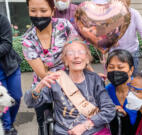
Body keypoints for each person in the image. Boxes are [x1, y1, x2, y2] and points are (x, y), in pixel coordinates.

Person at [24, 37, 116, 135]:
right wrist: (39, 86)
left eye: (81, 52)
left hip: (94, 131)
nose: (76, 56)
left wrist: (84, 126)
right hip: (65, 132)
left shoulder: (95, 79)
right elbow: (30, 102)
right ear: (65, 60)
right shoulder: (56, 79)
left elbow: (109, 109)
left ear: (87, 58)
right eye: (71, 53)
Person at [22, 0, 78, 134]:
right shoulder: (28, 39)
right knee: (44, 124)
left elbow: (78, 53)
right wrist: (63, 64)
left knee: (70, 121)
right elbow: (42, 73)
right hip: (43, 85)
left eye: (43, 10)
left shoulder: (64, 26)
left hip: (70, 83)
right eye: (33, 10)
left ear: (52, 11)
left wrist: (90, 74)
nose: (38, 15)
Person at [109, 0, 142, 75]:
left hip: (131, 51)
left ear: (127, 2)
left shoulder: (134, 14)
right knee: (116, 76)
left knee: (132, 75)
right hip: (115, 52)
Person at [0, 14, 22, 135]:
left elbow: (7, 44)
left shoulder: (2, 19)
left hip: (10, 66)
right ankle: (7, 128)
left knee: (16, 97)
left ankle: (10, 122)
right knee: (1, 97)